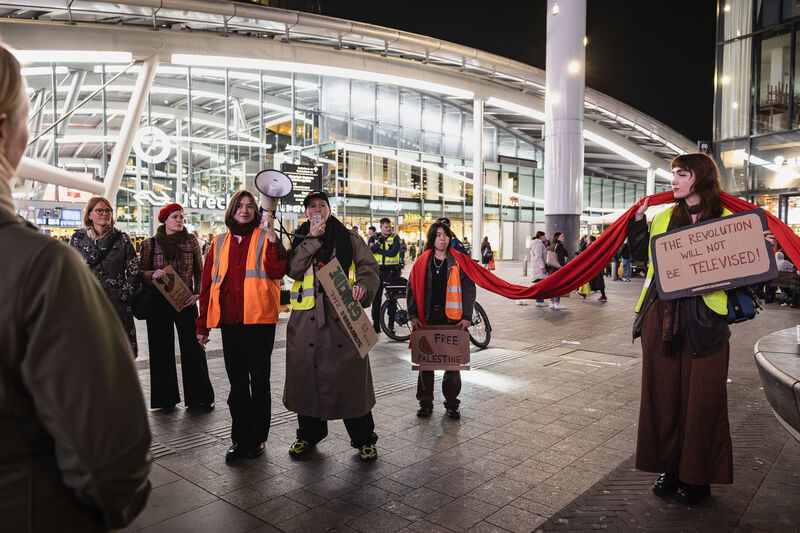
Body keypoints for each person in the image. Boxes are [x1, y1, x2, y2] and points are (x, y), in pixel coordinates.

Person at [0, 41, 151, 531]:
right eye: (26, 118)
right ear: (5, 131)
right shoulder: (40, 266)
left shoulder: (102, 247)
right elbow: (113, 466)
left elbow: (131, 270)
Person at [628, 152, 776, 506]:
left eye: (681, 173)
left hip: (707, 321)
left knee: (703, 401)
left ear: (701, 177)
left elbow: (747, 272)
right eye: (674, 173)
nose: (674, 180)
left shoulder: (730, 221)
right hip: (661, 318)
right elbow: (644, 258)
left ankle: (697, 476)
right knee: (662, 398)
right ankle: (669, 468)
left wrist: (764, 252)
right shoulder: (663, 217)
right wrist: (637, 224)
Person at [284, 191, 381, 461]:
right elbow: (292, 269)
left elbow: (368, 268)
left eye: (322, 205)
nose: (317, 210)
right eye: (312, 206)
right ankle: (308, 435)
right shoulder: (299, 237)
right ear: (306, 212)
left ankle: (364, 438)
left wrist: (363, 287)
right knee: (307, 382)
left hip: (344, 321)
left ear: (329, 209)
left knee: (352, 383)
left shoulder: (349, 238)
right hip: (306, 324)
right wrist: (312, 239)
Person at [196, 190, 286, 465]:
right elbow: (207, 285)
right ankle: (240, 439)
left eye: (249, 206)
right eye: (239, 206)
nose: (244, 210)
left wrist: (273, 238)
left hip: (259, 321)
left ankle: (257, 437)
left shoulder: (265, 237)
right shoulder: (219, 242)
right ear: (232, 210)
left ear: (256, 211)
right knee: (237, 384)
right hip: (231, 322)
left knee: (259, 381)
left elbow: (277, 271)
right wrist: (203, 325)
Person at [140, 203, 215, 412]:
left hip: (185, 299)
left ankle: (200, 397)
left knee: (194, 347)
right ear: (165, 220)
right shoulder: (150, 243)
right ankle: (165, 399)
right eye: (174, 217)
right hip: (158, 301)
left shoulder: (191, 240)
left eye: (181, 217)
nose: (179, 220)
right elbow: (140, 272)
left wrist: (197, 294)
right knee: (160, 349)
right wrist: (152, 274)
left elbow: (200, 271)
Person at [407, 221, 475, 419]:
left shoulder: (458, 261)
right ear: (432, 238)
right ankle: (425, 401)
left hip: (452, 319)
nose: (442, 238)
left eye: (445, 234)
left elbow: (469, 289)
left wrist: (467, 316)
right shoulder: (422, 261)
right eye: (438, 235)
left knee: (452, 363)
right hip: (428, 317)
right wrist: (412, 315)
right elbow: (411, 288)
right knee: (426, 362)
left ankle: (452, 403)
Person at [70, 195, 141, 357]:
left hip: (116, 305)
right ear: (89, 214)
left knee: (117, 353)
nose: (104, 213)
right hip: (87, 303)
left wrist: (123, 295)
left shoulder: (122, 239)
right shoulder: (78, 239)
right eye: (99, 210)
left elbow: (134, 271)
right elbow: (70, 270)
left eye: (108, 210)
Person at [370, 217, 401, 333]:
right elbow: (370, 250)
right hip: (377, 271)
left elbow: (393, 253)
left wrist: (377, 249)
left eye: (390, 227)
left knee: (392, 298)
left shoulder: (395, 237)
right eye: (386, 227)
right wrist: (378, 243)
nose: (388, 229)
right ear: (381, 227)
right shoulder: (374, 237)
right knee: (376, 299)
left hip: (392, 271)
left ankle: (391, 325)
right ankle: (376, 324)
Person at [527, 231, 554, 308]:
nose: (545, 238)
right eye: (544, 236)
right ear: (541, 236)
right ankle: (539, 301)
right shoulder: (538, 244)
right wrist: (542, 267)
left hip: (537, 267)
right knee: (541, 286)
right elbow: (538, 256)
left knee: (540, 286)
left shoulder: (537, 243)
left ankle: (540, 301)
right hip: (539, 268)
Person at [547, 232, 567, 309]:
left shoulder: (552, 244)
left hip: (551, 268)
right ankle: (557, 303)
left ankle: (552, 302)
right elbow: (560, 257)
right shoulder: (559, 245)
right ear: (557, 237)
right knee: (558, 286)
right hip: (557, 268)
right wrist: (563, 267)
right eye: (561, 236)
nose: (563, 237)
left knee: (552, 286)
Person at [587, 235, 608, 302]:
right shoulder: (596, 245)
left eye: (587, 240)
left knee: (596, 281)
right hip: (597, 266)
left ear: (590, 240)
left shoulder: (592, 246)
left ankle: (603, 296)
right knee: (598, 281)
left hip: (595, 266)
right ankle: (603, 295)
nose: (587, 241)